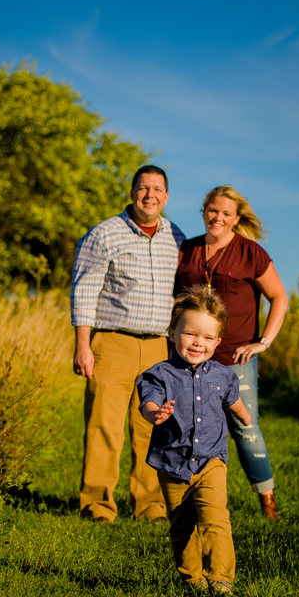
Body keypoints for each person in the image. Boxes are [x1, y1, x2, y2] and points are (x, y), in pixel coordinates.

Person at [70, 165, 185, 524]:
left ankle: (150, 503)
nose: (149, 195)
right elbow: (84, 290)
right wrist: (82, 345)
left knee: (152, 425)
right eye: (143, 188)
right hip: (112, 342)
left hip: (157, 348)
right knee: (104, 425)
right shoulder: (104, 234)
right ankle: (97, 504)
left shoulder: (176, 237)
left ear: (166, 196)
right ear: (132, 191)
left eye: (157, 189)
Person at [174, 185, 288, 520]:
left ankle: (267, 500)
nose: (218, 218)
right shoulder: (188, 249)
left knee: (245, 426)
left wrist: (263, 342)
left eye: (226, 213)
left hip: (235, 359)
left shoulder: (251, 252)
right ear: (204, 211)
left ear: (236, 218)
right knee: (190, 428)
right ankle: (191, 497)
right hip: (190, 357)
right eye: (212, 210)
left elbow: (279, 298)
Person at [138, 285, 251, 595]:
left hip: (211, 460)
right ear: (172, 333)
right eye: (189, 334)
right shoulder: (158, 374)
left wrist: (244, 415)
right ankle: (193, 581)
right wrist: (155, 413)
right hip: (172, 463)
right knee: (183, 528)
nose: (198, 342)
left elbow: (232, 399)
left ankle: (221, 579)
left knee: (216, 519)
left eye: (207, 337)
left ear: (217, 341)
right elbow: (149, 399)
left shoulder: (223, 375)